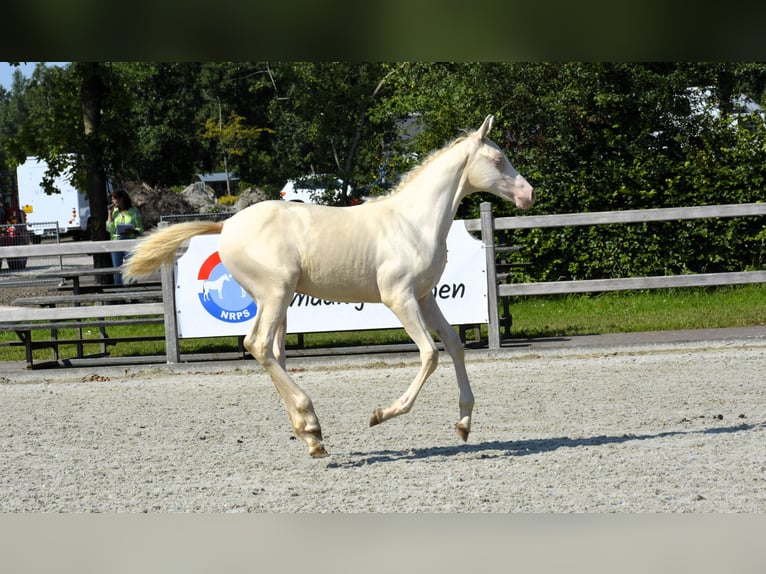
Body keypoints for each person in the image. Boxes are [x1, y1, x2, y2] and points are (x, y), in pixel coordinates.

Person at [106, 188, 144, 285]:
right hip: (116, 242)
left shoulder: (133, 211)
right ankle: (119, 293)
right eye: (112, 199)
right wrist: (109, 214)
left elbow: (140, 229)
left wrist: (133, 230)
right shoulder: (114, 212)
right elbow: (109, 229)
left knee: (131, 267)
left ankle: (133, 293)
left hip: (130, 241)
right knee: (117, 269)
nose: (112, 201)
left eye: (114, 199)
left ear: (122, 199)